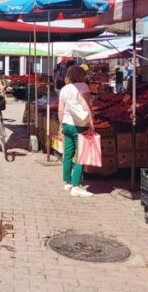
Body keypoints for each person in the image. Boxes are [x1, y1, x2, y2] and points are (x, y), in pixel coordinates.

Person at [58, 65, 94, 198]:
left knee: (68, 153)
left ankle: (67, 181)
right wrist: (91, 122)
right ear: (81, 74)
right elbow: (86, 105)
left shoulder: (64, 89)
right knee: (81, 154)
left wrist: (61, 123)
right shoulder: (83, 87)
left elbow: (60, 109)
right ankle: (76, 185)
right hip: (79, 125)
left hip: (67, 124)